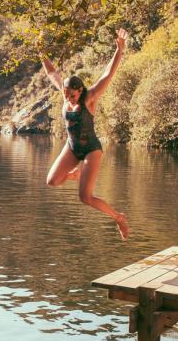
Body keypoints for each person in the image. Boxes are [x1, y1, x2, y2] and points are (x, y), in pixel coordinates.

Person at [42, 29, 130, 240]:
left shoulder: (90, 98)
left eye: (72, 95)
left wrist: (119, 50)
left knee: (85, 197)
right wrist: (41, 52)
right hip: (72, 147)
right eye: (66, 95)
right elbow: (52, 73)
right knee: (52, 181)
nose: (69, 98)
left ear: (80, 90)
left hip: (91, 149)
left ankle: (118, 217)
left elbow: (108, 74)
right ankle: (73, 174)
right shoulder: (65, 96)